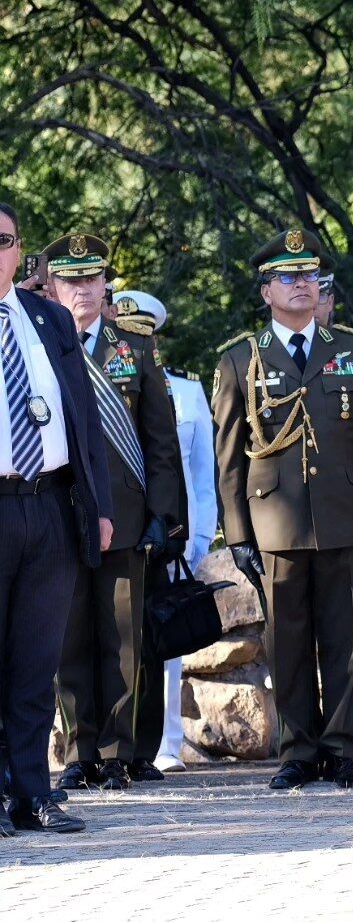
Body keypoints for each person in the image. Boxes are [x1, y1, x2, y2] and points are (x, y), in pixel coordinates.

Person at [213, 229, 353, 791]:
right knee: (287, 642)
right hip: (275, 522)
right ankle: (297, 750)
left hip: (344, 516)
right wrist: (238, 534)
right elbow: (229, 458)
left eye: (310, 275)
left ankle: (342, 750)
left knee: (344, 640)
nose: (302, 284)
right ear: (266, 291)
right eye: (288, 277)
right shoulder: (241, 359)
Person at [47, 236, 185, 795]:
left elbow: (161, 441)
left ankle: (116, 753)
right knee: (69, 640)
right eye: (70, 280)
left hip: (127, 515)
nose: (82, 289)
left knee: (123, 640)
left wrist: (164, 513)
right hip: (60, 512)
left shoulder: (135, 348)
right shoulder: (40, 344)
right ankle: (79, 753)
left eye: (91, 278)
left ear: (105, 285)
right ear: (53, 286)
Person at [0, 206, 111, 835]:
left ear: (22, 253)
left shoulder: (48, 318)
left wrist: (99, 507)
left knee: (36, 661)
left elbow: (83, 417)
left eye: (4, 240)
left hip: (50, 506)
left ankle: (32, 793)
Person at [114, 289, 218, 776]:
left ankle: (165, 742)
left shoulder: (187, 390)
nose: (138, 344)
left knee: (164, 637)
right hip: (122, 525)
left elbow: (201, 474)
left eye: (144, 336)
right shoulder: (106, 384)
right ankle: (117, 743)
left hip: (173, 531)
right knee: (118, 636)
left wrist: (200, 537)